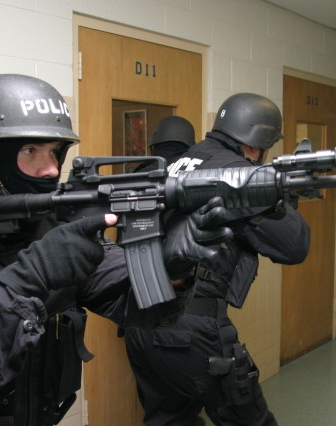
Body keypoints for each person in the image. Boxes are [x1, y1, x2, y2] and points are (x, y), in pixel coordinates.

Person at [0, 74, 232, 426]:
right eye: (30, 151)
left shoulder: (49, 227)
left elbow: (135, 301)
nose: (51, 169)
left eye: (56, 153)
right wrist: (31, 277)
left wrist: (172, 267)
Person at [124, 93, 311, 425]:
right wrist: (274, 197)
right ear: (257, 145)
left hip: (144, 323)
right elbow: (294, 244)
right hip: (191, 329)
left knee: (169, 419)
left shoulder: (183, 160)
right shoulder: (236, 173)